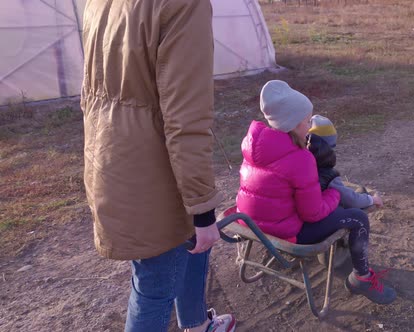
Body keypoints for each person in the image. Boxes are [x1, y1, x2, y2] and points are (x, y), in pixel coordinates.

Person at [81, 1, 235, 331]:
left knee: (188, 249)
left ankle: (195, 324)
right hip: (154, 174)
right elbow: (186, 118)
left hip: (110, 157)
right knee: (153, 288)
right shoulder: (183, 5)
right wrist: (203, 208)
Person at [236, 80, 396, 304]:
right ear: (293, 124)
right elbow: (313, 214)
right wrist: (335, 195)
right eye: (307, 121)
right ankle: (362, 277)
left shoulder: (253, 144)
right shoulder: (301, 159)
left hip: (252, 225)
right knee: (358, 218)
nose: (310, 126)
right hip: (287, 233)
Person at [306, 115, 383, 209]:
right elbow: (351, 200)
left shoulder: (298, 160)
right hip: (319, 212)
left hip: (300, 212)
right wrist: (372, 199)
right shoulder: (326, 174)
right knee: (358, 206)